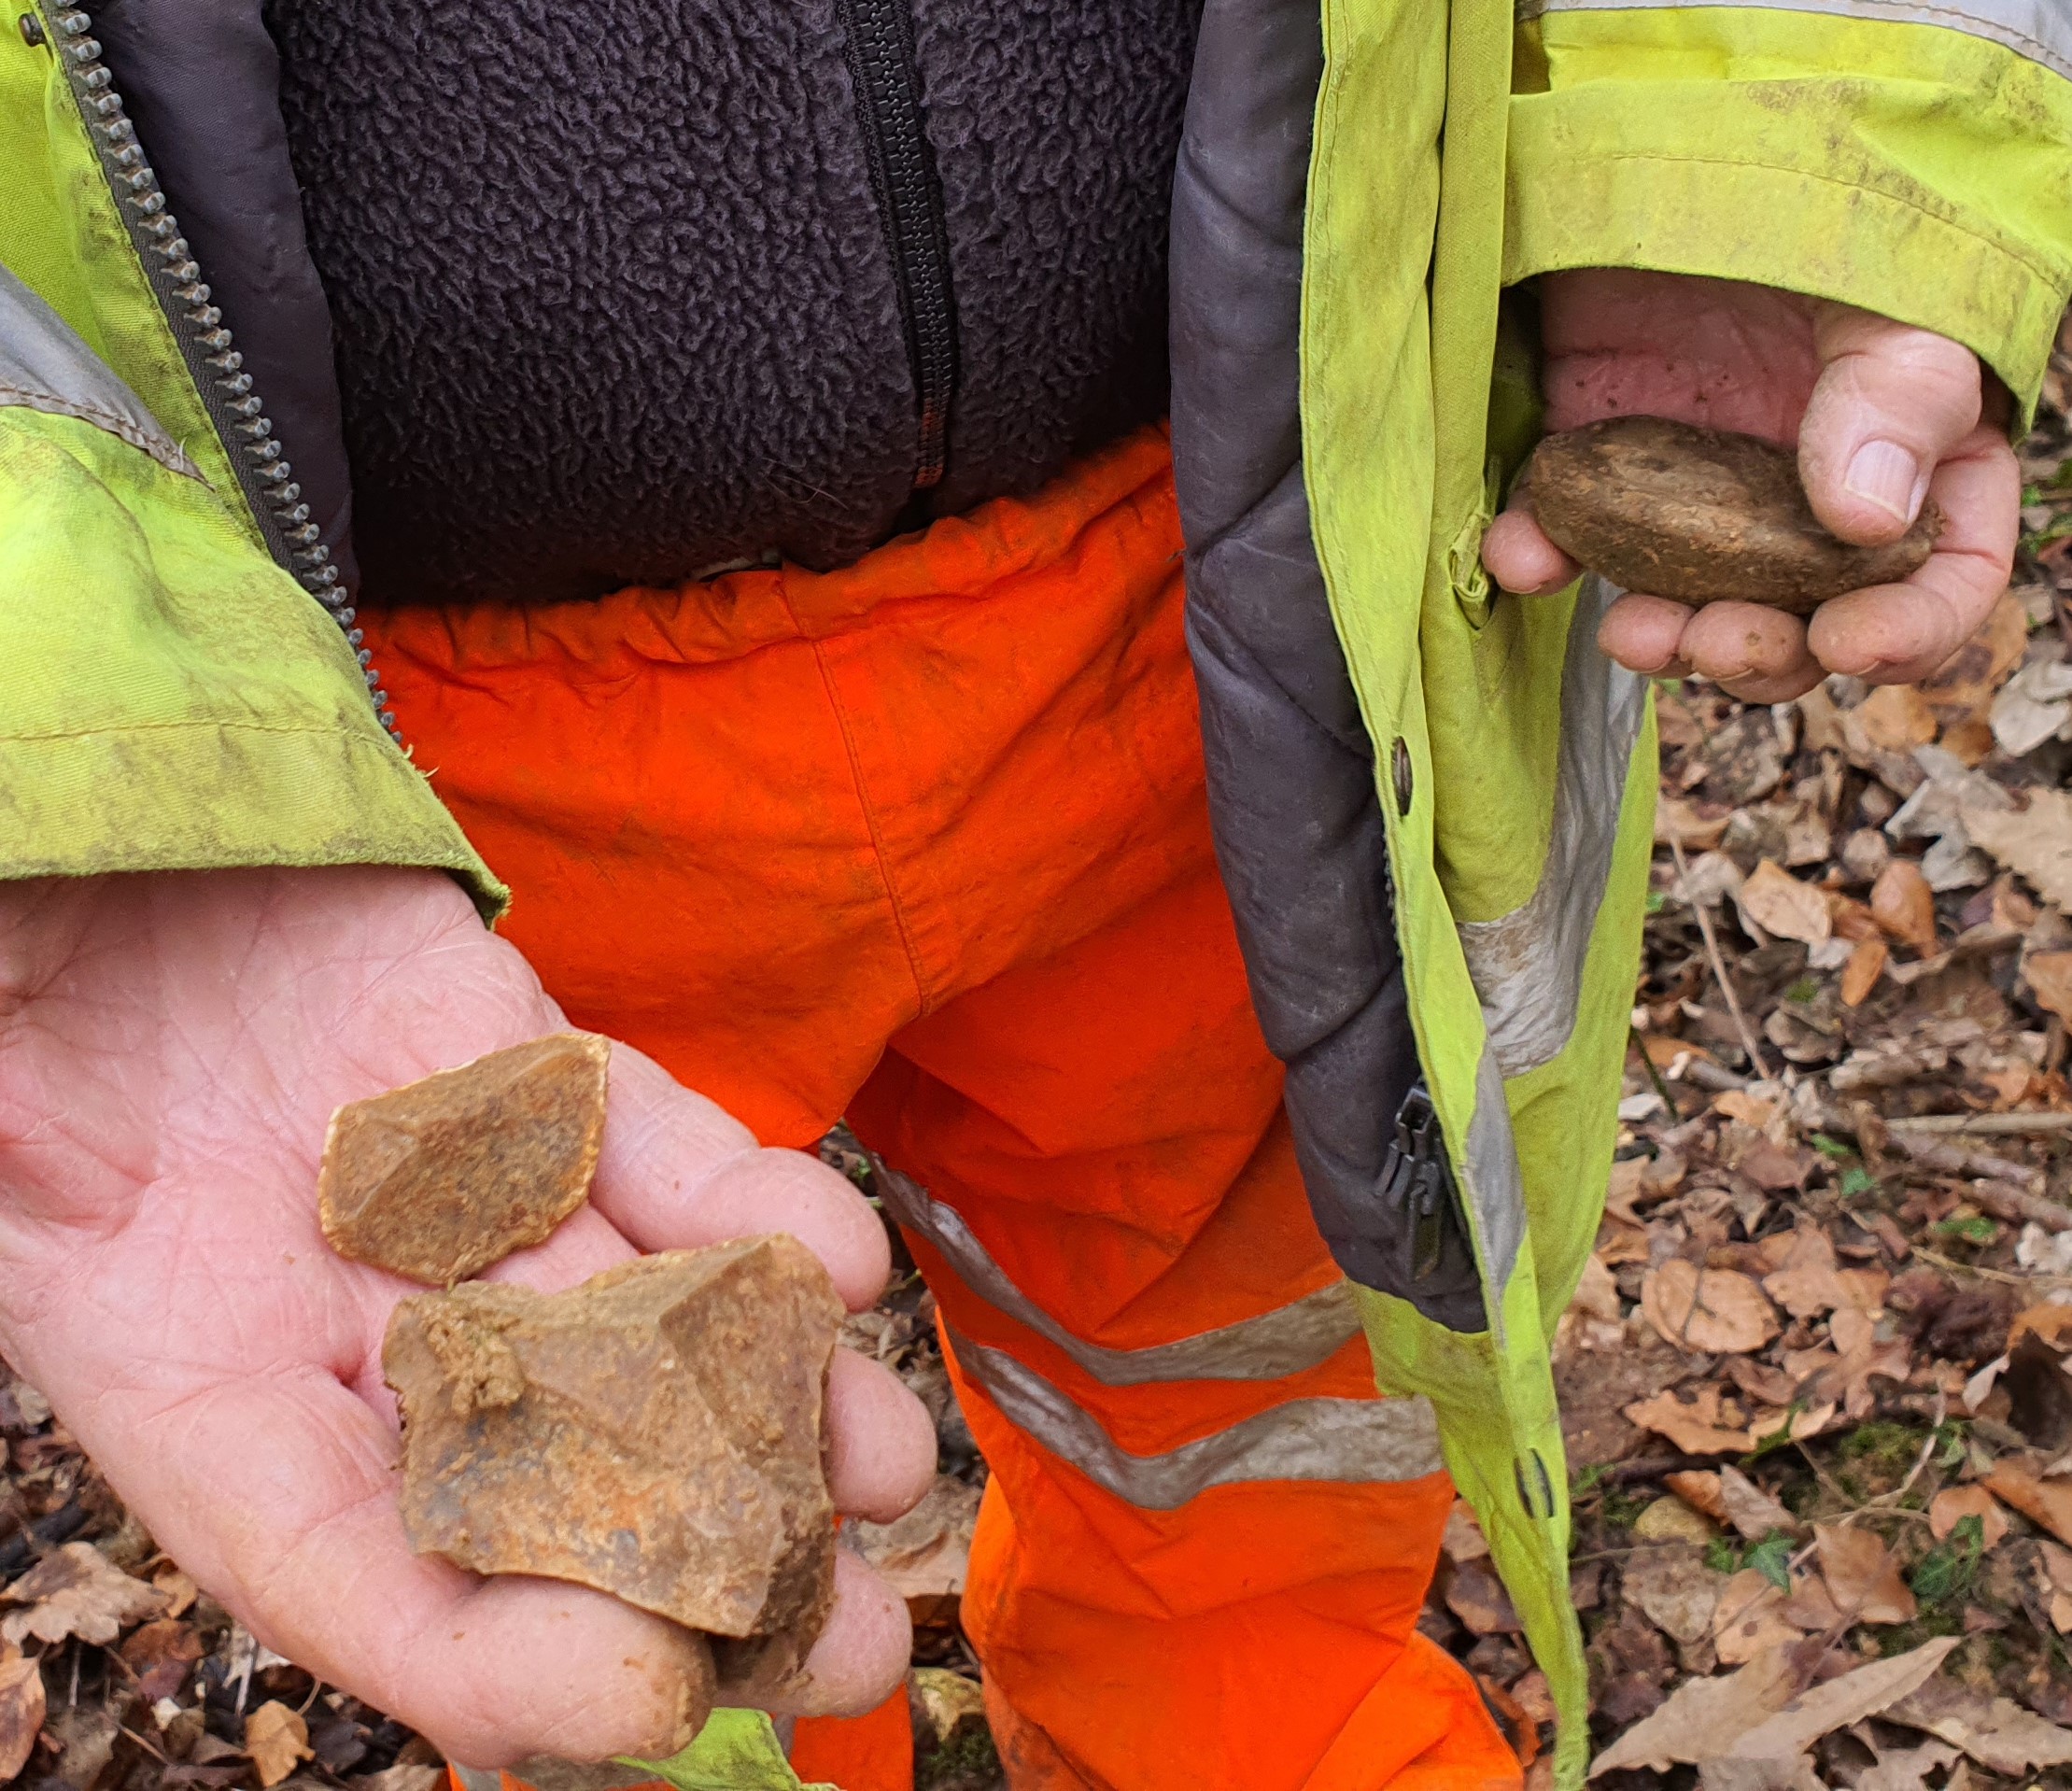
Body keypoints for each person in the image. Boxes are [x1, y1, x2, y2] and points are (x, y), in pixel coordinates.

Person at [0, 0, 2065, 1785]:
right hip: (398, 740)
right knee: (599, 1552)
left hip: (1221, 601)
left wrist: (1780, 132)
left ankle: (1255, 1716)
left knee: (1253, 1378)